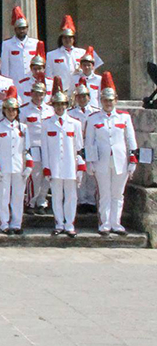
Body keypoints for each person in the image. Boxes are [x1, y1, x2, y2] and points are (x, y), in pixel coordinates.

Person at [84, 72, 137, 236]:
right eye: (105, 100)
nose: (108, 103)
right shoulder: (93, 118)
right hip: (101, 160)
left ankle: (116, 223)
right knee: (104, 193)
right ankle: (105, 223)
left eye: (111, 100)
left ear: (116, 100)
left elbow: (130, 138)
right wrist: (90, 162)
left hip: (120, 160)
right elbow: (89, 142)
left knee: (118, 194)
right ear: (101, 101)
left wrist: (133, 159)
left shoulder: (124, 117)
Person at [38, 81, 85, 237]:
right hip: (55, 165)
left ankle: (70, 224)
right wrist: (46, 167)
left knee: (71, 196)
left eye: (63, 104)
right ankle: (59, 223)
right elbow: (44, 147)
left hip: (70, 165)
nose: (60, 107)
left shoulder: (75, 124)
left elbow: (79, 148)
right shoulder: (46, 123)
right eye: (57, 104)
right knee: (57, 196)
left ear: (67, 105)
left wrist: (80, 167)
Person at [0, 87, 31, 235]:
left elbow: (27, 149)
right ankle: (4, 223)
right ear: (4, 111)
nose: (11, 113)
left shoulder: (24, 128)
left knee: (18, 196)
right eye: (8, 110)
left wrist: (29, 166)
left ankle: (16, 223)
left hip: (19, 167)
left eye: (14, 110)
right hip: (4, 167)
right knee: (3, 196)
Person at [19, 80, 54, 214]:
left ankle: (42, 201)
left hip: (48, 147)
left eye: (41, 94)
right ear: (31, 93)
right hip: (32, 146)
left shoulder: (50, 110)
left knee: (47, 176)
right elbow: (20, 130)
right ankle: (31, 202)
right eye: (36, 94)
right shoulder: (24, 110)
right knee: (34, 176)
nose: (38, 97)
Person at [69, 78, 102, 209]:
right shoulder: (70, 113)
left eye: (84, 96)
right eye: (79, 97)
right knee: (79, 172)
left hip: (92, 144)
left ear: (89, 97)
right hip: (77, 144)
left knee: (91, 173)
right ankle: (81, 200)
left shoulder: (96, 111)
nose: (82, 99)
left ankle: (91, 200)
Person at [47, 15, 101, 93]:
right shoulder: (51, 55)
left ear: (74, 39)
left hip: (79, 92)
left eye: (70, 37)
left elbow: (93, 70)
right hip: (61, 92)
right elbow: (49, 77)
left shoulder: (82, 53)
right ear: (61, 39)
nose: (67, 40)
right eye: (65, 37)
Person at [1, 6, 40, 84]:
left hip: (31, 82)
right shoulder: (7, 44)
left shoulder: (35, 43)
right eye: (19, 28)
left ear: (27, 28)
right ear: (15, 29)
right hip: (15, 82)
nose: (22, 30)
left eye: (23, 28)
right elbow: (5, 67)